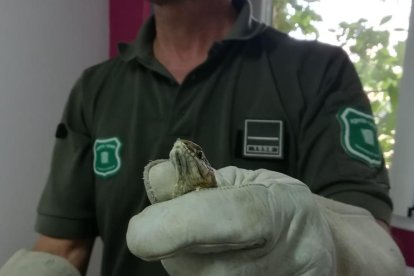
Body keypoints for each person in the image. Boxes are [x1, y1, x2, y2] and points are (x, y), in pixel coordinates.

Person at [0, 0, 405, 275]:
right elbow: (63, 245)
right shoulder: (95, 88)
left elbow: (373, 244)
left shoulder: (319, 72)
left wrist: (320, 237)